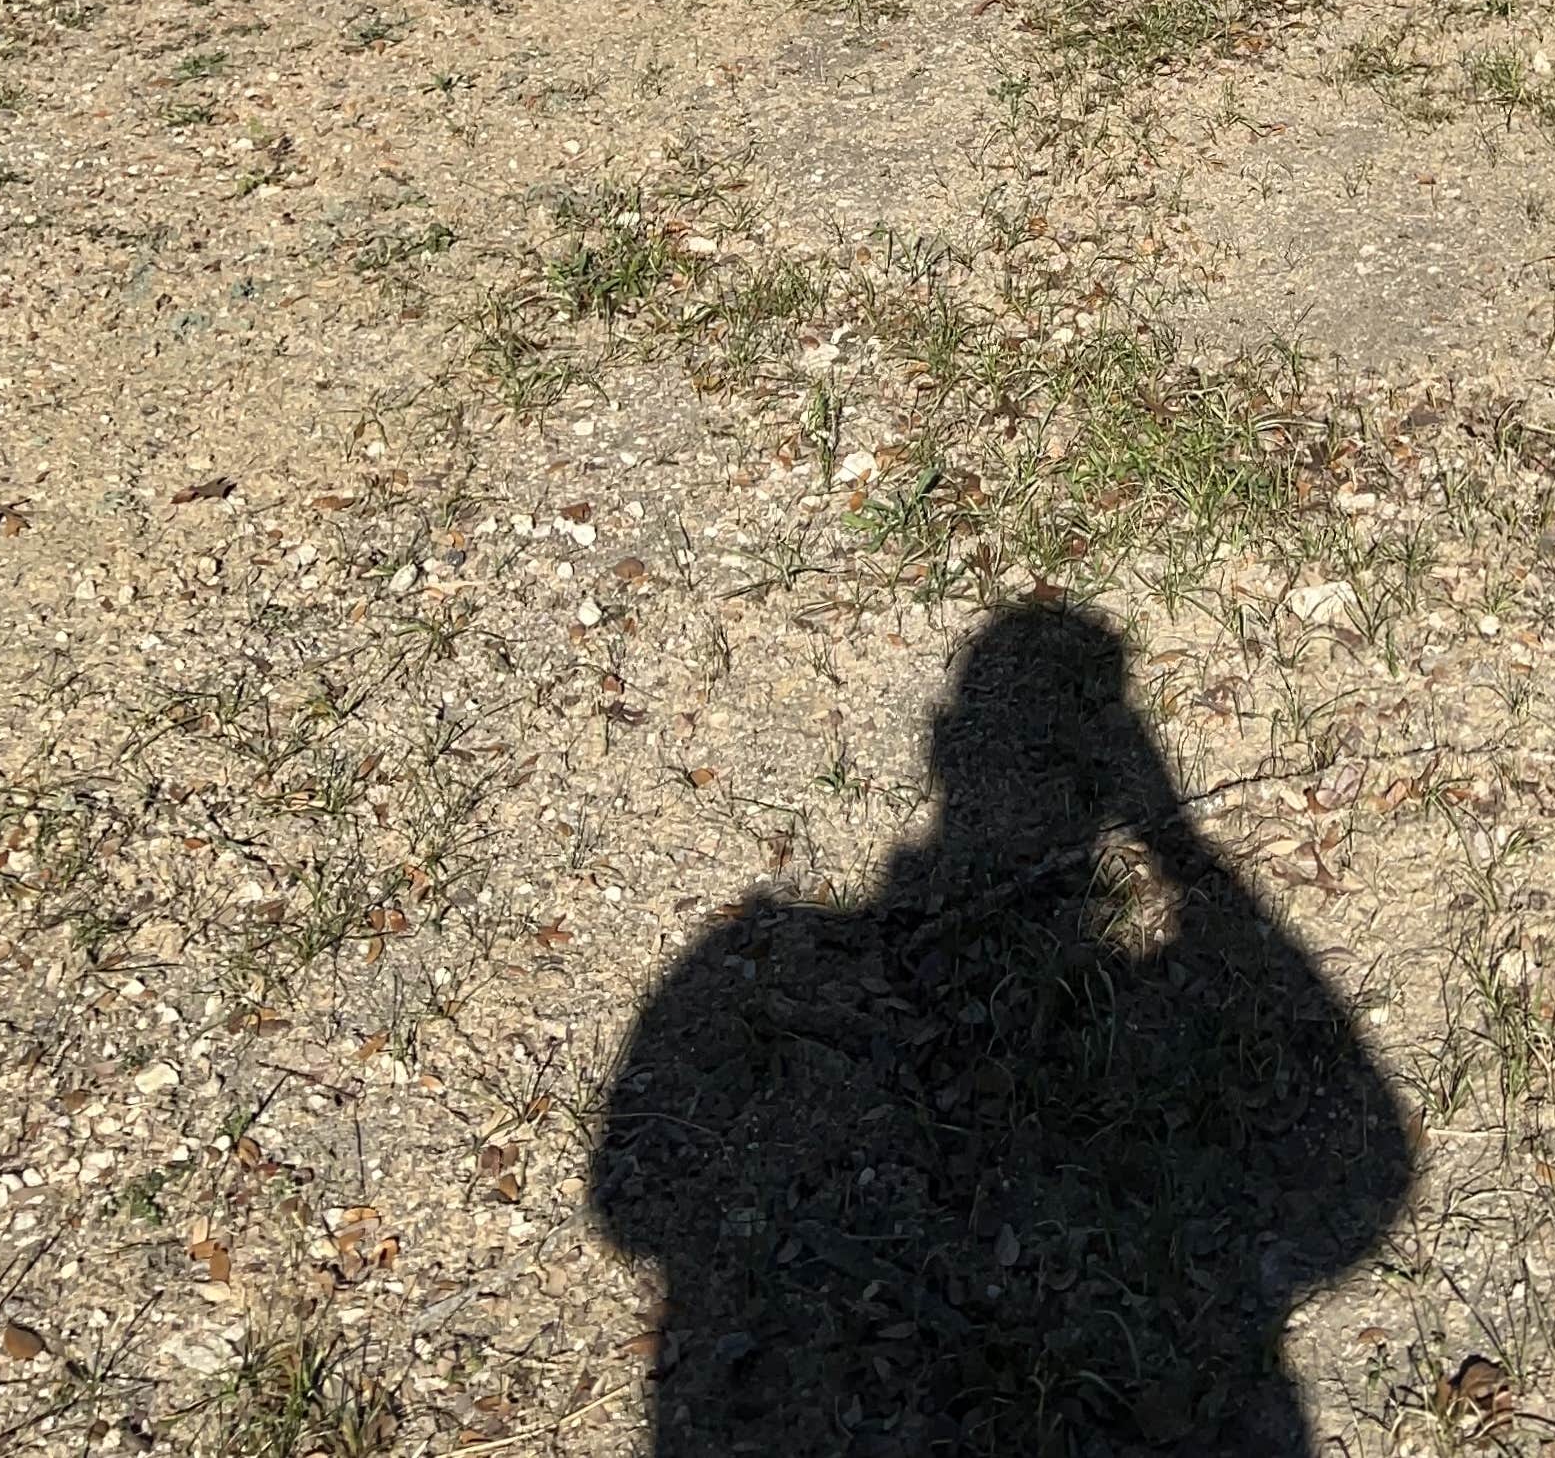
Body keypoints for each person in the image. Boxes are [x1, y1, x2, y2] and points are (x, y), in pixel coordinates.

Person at [588, 602, 1416, 1453]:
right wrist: (1184, 855)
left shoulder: (754, 957)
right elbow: (1364, 1175)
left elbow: (627, 1207)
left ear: (944, 743)